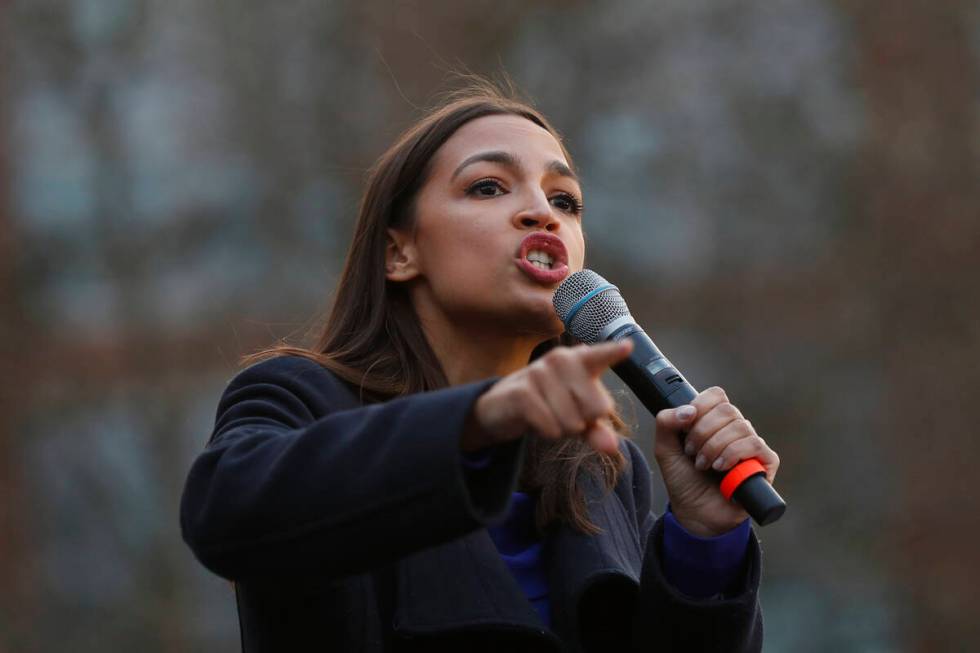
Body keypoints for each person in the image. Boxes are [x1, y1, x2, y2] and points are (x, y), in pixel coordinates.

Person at [180, 79, 780, 652]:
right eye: (489, 187)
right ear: (399, 251)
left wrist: (703, 540)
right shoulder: (301, 400)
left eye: (565, 200)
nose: (541, 213)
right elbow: (224, 514)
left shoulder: (602, 469)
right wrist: (476, 422)